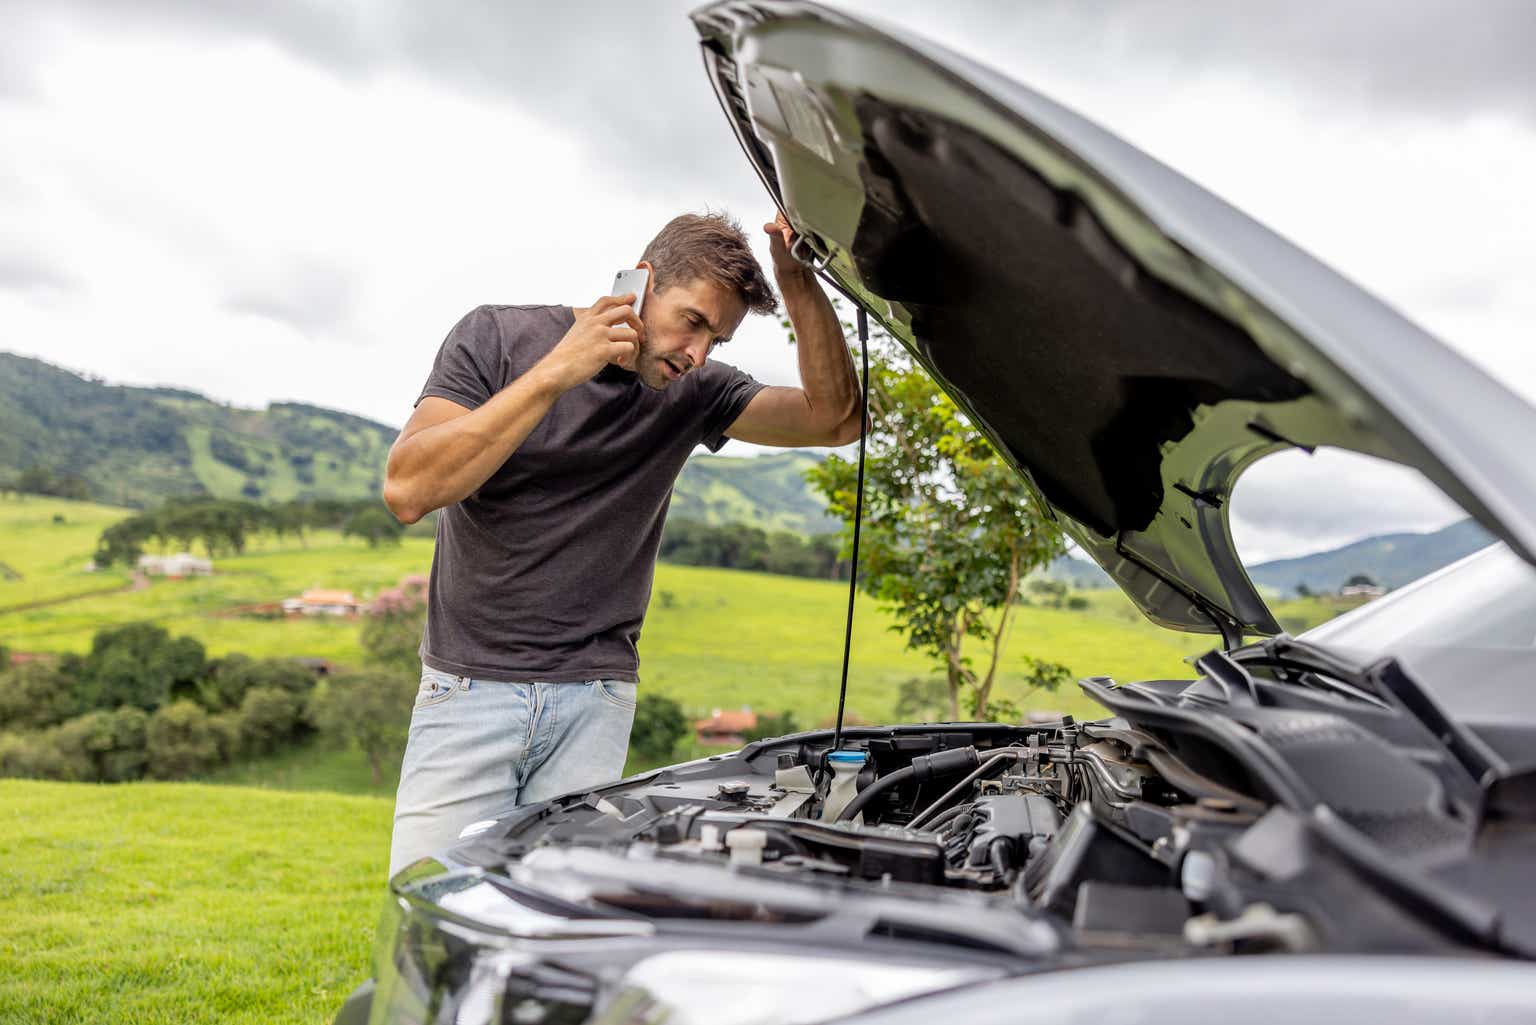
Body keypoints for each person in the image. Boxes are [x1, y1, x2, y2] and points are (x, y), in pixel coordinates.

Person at [382, 210, 861, 875]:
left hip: (596, 700)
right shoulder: (496, 336)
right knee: (431, 898)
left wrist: (798, 281)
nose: (697, 354)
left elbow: (835, 419)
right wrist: (557, 372)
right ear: (640, 283)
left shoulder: (694, 392)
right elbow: (410, 488)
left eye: (716, 340)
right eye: (692, 321)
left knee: (559, 922)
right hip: (469, 690)